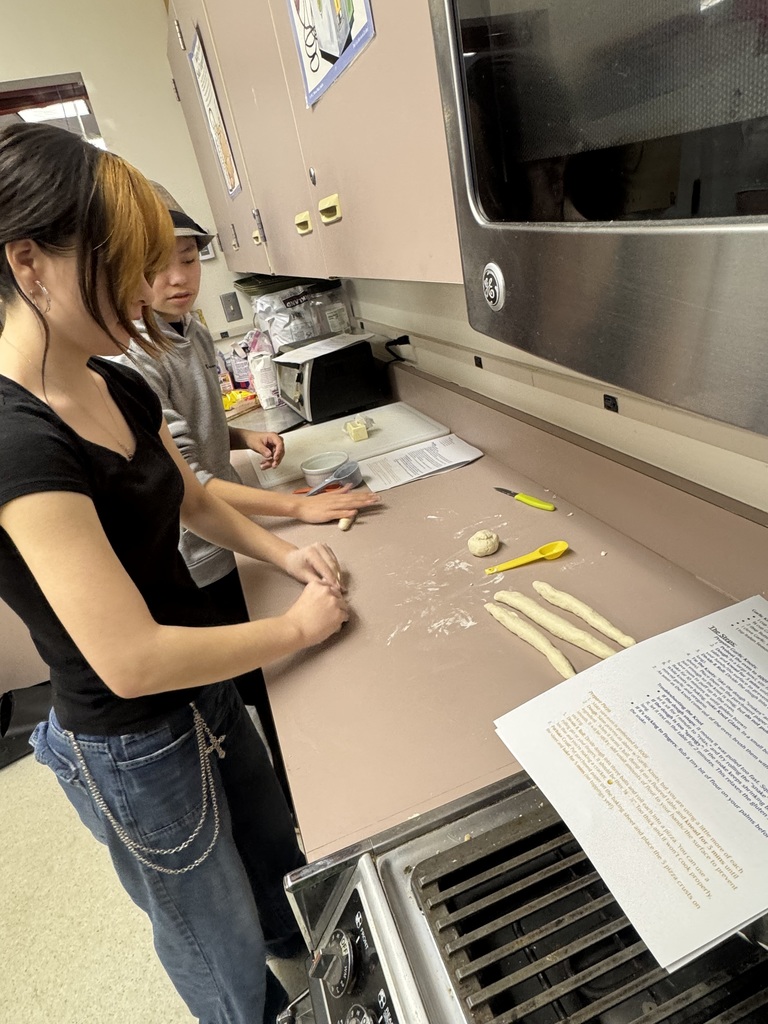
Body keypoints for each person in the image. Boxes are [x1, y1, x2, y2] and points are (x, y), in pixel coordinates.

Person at [0, 121, 350, 1024]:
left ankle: (310, 979)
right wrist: (297, 629)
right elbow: (130, 661)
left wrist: (285, 550)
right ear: (28, 263)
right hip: (129, 739)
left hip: (207, 683)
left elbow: (192, 494)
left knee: (275, 863)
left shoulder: (113, 382)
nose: (144, 288)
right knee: (216, 941)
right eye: (120, 263)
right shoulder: (14, 436)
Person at [112, 185, 378, 808]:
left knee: (273, 670)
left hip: (228, 534)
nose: (177, 278)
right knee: (261, 685)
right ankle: (294, 796)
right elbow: (191, 488)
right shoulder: (131, 361)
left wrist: (238, 432)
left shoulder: (189, 333)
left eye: (187, 258)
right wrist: (298, 507)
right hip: (195, 555)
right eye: (156, 265)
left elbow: (186, 431)